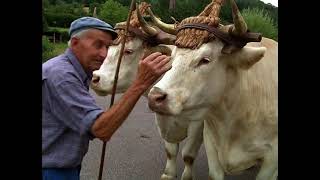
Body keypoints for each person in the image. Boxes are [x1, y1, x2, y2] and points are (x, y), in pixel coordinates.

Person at [42, 17, 171, 180]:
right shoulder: (61, 76)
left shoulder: (74, 70)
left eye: (107, 47)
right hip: (51, 172)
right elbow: (101, 129)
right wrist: (140, 82)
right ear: (75, 43)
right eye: (97, 45)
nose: (103, 54)